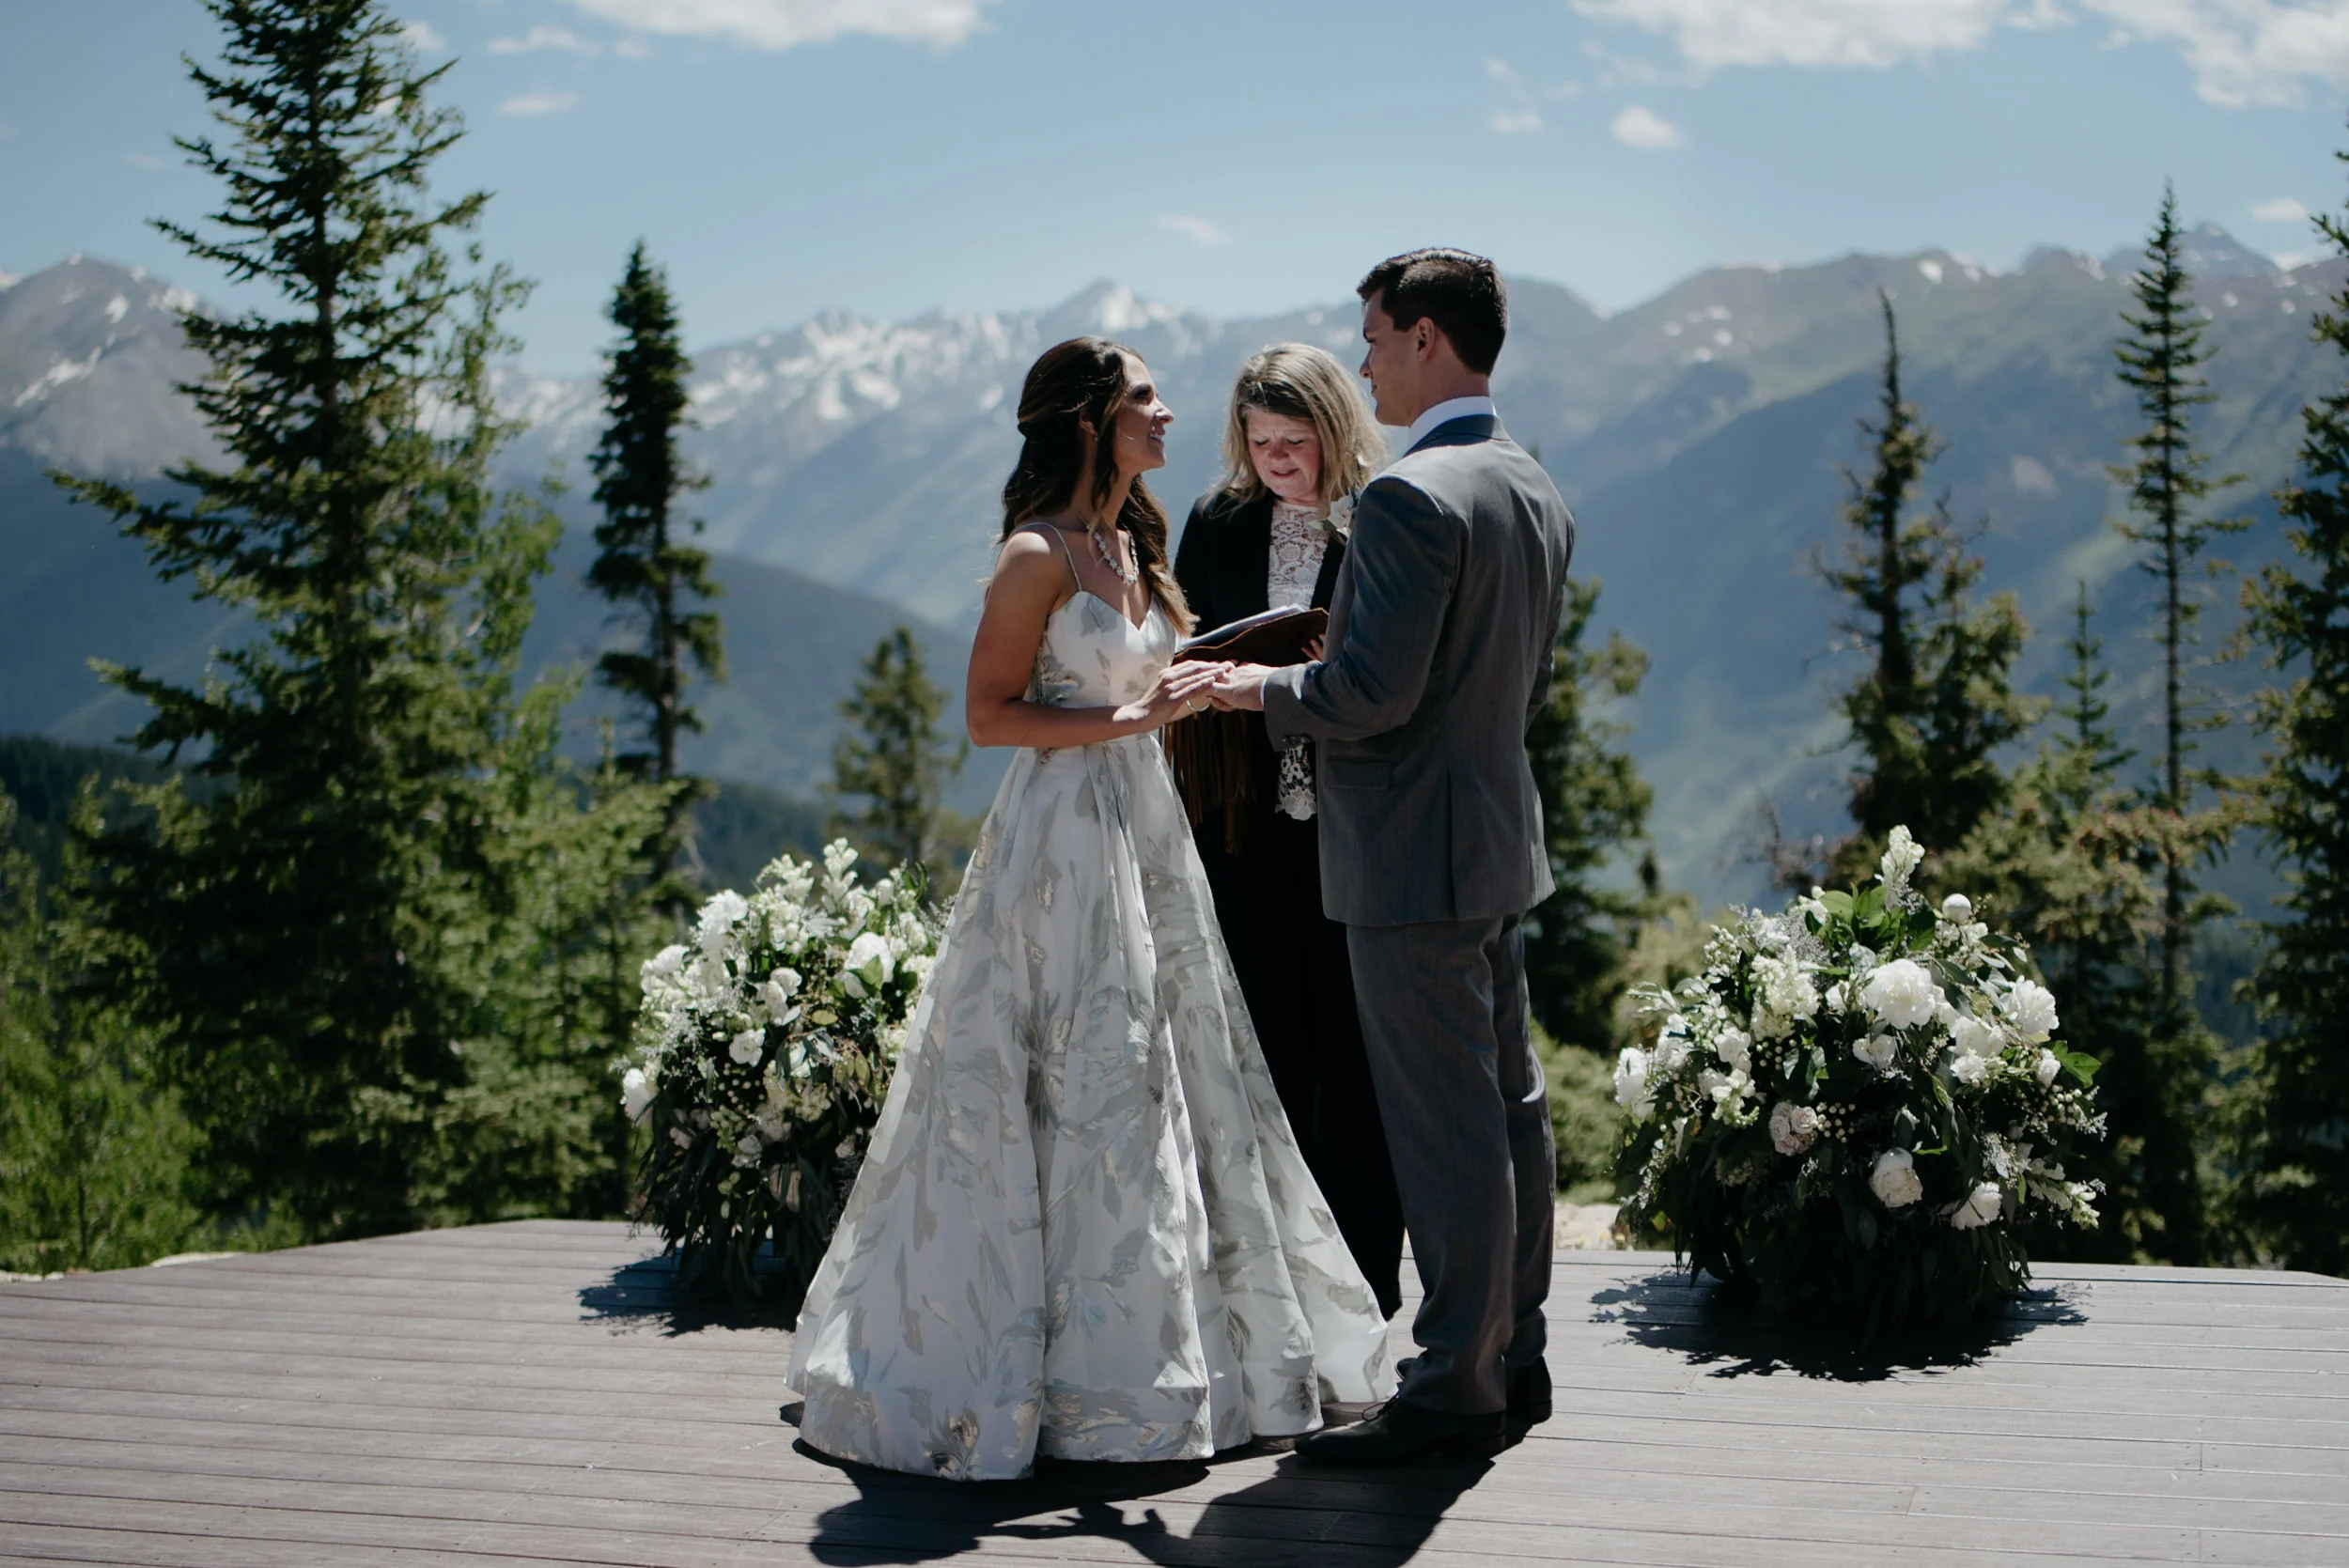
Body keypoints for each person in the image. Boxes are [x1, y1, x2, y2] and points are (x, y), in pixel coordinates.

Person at [786, 336, 1396, 1483]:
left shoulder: (1132, 541)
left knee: (1161, 1077)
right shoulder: (1035, 554)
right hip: (1062, 839)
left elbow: (1138, 682)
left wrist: (1199, 685)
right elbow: (988, 715)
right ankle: (1035, 1366)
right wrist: (1130, 720)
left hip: (1149, 828)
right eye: (1143, 400)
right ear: (1088, 422)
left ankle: (1163, 1351)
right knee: (1074, 1074)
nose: (1168, 414)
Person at [1211, 250, 1575, 1466]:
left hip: (1409, 857)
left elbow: (1369, 693)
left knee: (1445, 1130)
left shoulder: (1411, 498)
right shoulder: (1528, 482)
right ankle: (1514, 1356)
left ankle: (1452, 1385)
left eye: (1372, 338)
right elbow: (1515, 681)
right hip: (1496, 838)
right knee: (1509, 1111)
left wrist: (1250, 687)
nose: (1362, 364)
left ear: (1426, 337)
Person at [1170, 343, 1405, 1320]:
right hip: (1243, 828)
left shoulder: (1384, 517)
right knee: (1260, 1053)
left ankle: (1364, 1287)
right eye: (1260, 440)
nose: (1276, 458)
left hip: (1355, 828)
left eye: (1294, 440)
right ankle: (1267, 1293)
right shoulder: (1218, 522)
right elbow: (1180, 651)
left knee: (1354, 1062)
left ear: (1335, 430)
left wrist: (1315, 669)